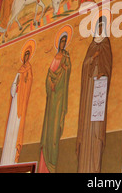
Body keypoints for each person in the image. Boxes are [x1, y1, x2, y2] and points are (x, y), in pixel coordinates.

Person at [76, 17, 112, 173]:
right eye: (98, 26)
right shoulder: (92, 45)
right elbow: (85, 66)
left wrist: (103, 72)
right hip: (89, 89)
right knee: (86, 126)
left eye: (102, 26)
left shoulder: (106, 43)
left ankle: (95, 168)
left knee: (96, 127)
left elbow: (108, 64)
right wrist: (93, 57)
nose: (99, 29)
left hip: (99, 88)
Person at [38, 33, 71, 173]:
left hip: (59, 96)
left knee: (56, 125)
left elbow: (67, 71)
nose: (62, 43)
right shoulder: (55, 57)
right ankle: (43, 163)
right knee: (47, 128)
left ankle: (51, 163)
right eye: (61, 41)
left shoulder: (66, 57)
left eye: (64, 41)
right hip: (51, 97)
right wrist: (50, 83)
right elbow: (49, 74)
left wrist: (62, 72)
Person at [1, 45, 33, 165]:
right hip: (15, 101)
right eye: (25, 55)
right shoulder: (19, 70)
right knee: (10, 126)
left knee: (17, 127)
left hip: (21, 104)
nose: (26, 57)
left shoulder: (29, 70)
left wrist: (24, 83)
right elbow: (13, 87)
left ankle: (13, 158)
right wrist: (16, 85)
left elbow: (29, 83)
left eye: (27, 55)